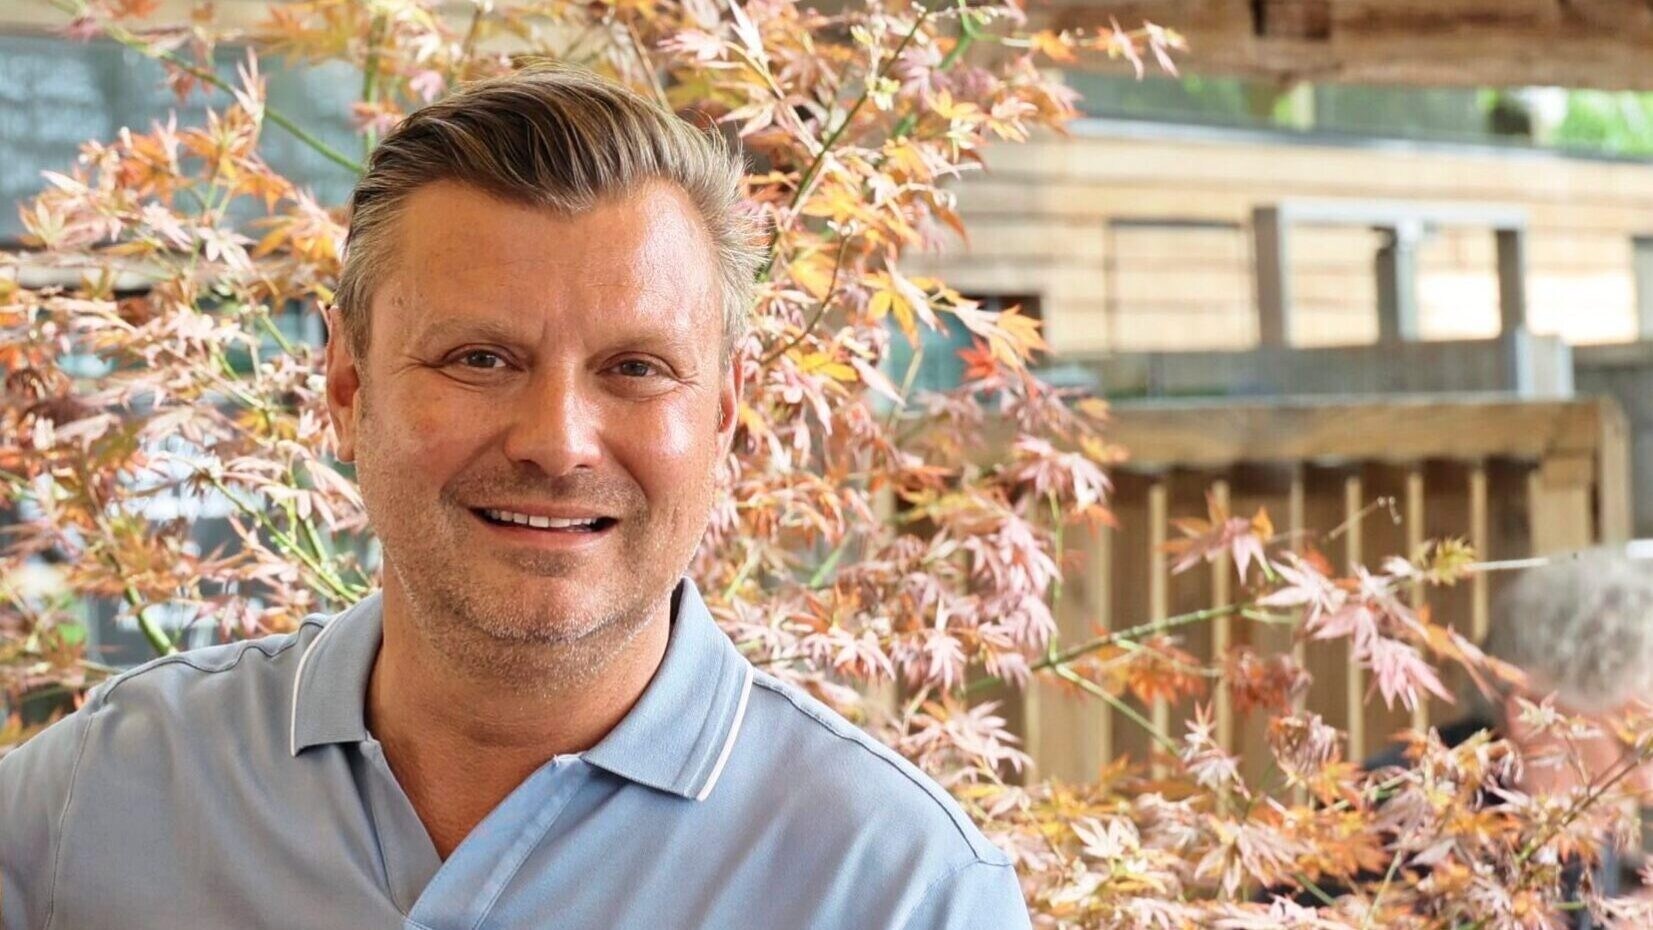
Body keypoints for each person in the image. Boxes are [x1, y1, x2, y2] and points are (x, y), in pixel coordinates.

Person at [0, 65, 1029, 929]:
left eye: (634, 368)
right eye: (480, 357)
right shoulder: (98, 804)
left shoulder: (899, 891)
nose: (557, 443)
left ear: (723, 410)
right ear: (347, 385)